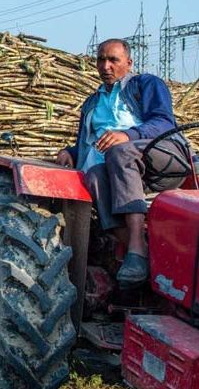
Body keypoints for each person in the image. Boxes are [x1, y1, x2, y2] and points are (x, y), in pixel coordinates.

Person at [56, 38, 190, 288]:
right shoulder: (92, 103)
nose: (105, 66)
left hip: (163, 159)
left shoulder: (146, 84)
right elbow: (89, 141)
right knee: (94, 175)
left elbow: (164, 123)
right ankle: (138, 254)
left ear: (128, 63)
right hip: (117, 168)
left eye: (113, 60)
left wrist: (128, 135)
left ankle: (138, 246)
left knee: (120, 151)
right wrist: (71, 152)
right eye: (100, 59)